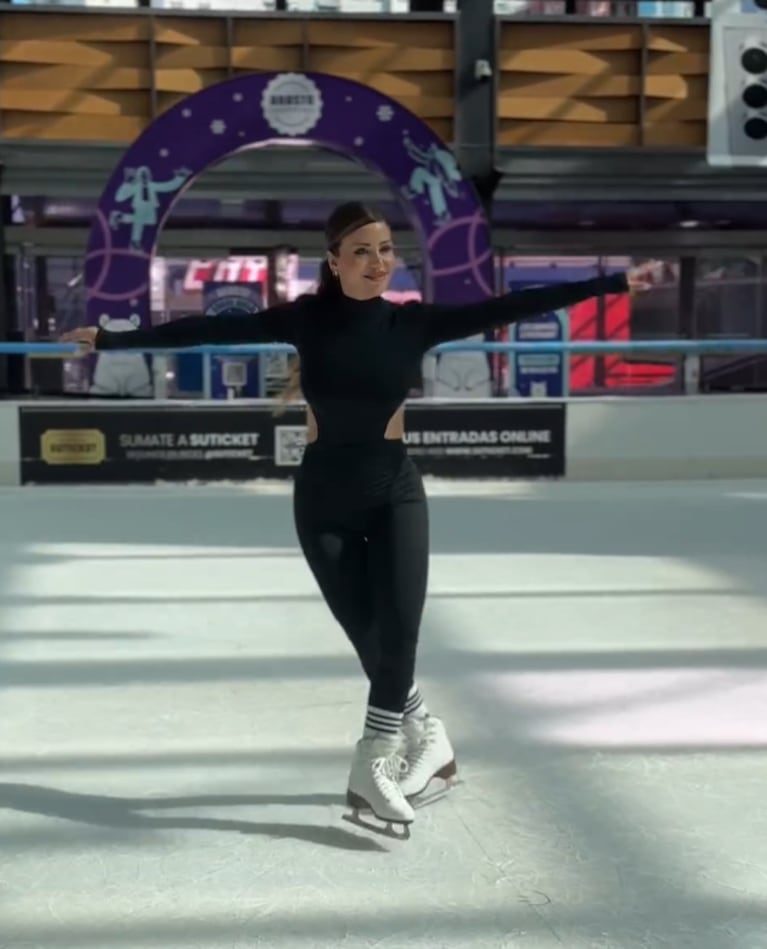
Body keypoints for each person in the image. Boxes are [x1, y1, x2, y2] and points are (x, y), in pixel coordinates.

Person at [62, 203, 656, 837]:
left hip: (395, 493)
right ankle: (428, 735)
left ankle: (372, 762)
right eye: (363, 251)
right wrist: (114, 339)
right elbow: (206, 331)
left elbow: (509, 307)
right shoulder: (306, 320)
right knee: (372, 641)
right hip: (322, 500)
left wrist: (611, 283)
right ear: (334, 261)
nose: (378, 262)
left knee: (400, 634)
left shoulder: (413, 323)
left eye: (386, 250)